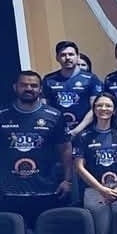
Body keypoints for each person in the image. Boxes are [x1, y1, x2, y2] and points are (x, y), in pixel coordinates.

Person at [0, 71, 73, 226]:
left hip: (46, 190)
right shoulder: (2, 115)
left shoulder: (54, 115)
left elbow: (65, 150)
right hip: (9, 192)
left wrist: (67, 180)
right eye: (24, 85)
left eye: (33, 86)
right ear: (15, 87)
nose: (29, 88)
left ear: (40, 89)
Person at [73, 93, 117, 234]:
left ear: (114, 110)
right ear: (93, 109)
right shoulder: (84, 136)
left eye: (108, 105)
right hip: (94, 191)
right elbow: (79, 167)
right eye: (99, 105)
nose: (103, 109)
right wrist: (101, 189)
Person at [43, 40, 102, 134]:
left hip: (85, 131)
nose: (67, 58)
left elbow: (95, 108)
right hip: (57, 132)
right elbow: (45, 107)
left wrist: (77, 130)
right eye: (63, 55)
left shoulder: (91, 79)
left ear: (78, 57)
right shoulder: (49, 80)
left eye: (71, 54)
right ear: (57, 58)